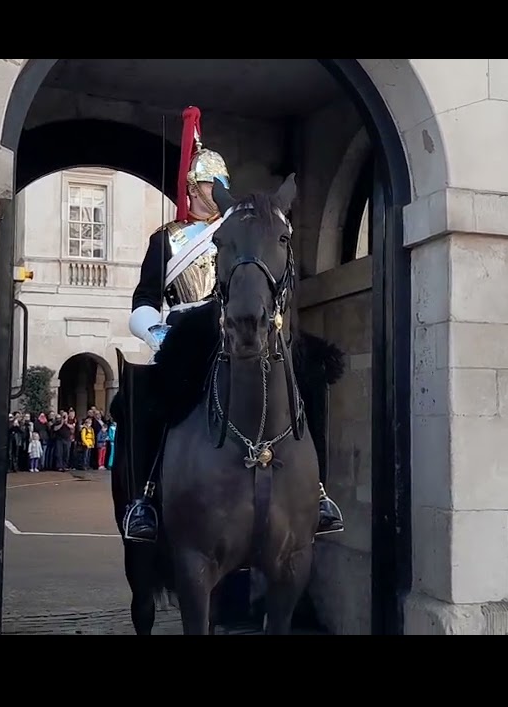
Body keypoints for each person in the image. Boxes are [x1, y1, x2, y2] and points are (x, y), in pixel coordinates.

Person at [118, 105, 344, 544]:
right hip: (187, 333)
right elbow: (144, 300)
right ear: (190, 186)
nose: (213, 192)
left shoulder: (242, 227)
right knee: (147, 395)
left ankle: (317, 493)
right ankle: (145, 497)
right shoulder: (167, 239)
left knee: (310, 371)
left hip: (244, 325)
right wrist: (156, 331)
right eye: (206, 184)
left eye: (220, 184)